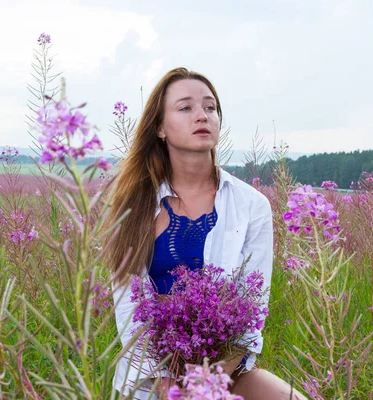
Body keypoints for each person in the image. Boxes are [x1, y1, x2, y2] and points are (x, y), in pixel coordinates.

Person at [103, 67, 306, 399]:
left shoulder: (251, 205)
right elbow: (129, 310)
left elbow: (253, 309)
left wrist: (210, 382)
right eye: (186, 108)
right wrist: (169, 385)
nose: (202, 115)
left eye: (210, 107)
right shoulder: (134, 204)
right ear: (160, 128)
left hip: (227, 370)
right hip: (151, 377)